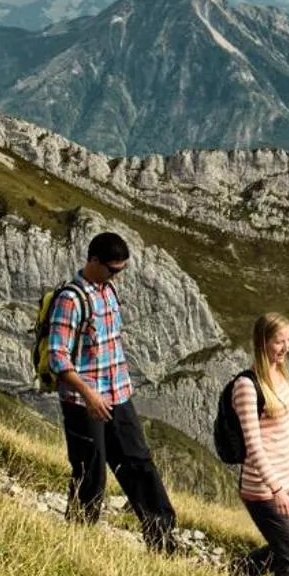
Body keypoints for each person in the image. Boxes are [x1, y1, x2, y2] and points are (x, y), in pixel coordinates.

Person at [45, 230, 177, 553]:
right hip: (84, 403)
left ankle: (162, 538)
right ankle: (78, 541)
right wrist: (89, 395)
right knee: (90, 472)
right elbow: (57, 356)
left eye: (121, 270)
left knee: (139, 463)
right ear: (93, 261)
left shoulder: (108, 291)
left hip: (118, 394)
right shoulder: (71, 299)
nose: (117, 276)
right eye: (112, 270)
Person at [233, 312, 289, 576]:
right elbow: (253, 446)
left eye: (288, 340)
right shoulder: (246, 386)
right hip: (264, 486)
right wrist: (276, 489)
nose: (285, 347)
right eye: (279, 341)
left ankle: (245, 569)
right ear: (262, 342)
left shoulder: (280, 375)